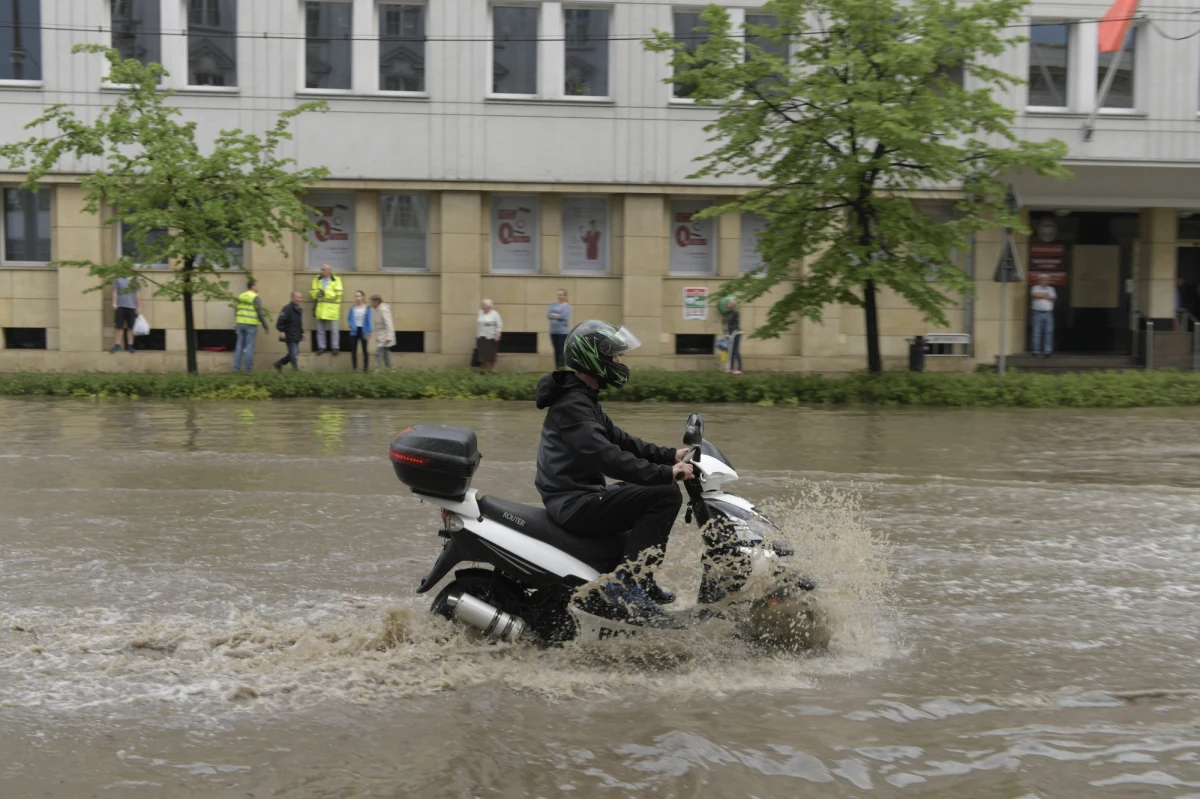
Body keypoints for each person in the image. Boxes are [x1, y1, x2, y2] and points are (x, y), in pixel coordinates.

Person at [534, 320, 694, 621]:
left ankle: (639, 579)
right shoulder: (573, 406)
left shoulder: (582, 398)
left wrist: (671, 456)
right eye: (615, 357)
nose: (620, 362)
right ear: (595, 359)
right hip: (571, 503)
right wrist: (666, 474)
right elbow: (607, 457)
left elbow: (622, 441)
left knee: (647, 495)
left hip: (581, 496)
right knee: (665, 494)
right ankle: (627, 585)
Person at [233, 279, 271, 373]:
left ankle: (236, 369)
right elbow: (259, 313)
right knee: (249, 347)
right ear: (252, 286)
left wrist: (238, 321)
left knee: (239, 347)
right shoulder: (255, 297)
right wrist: (265, 326)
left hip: (240, 323)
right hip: (251, 324)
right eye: (256, 285)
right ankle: (248, 370)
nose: (258, 287)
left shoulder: (241, 296)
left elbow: (236, 310)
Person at [310, 263, 344, 355]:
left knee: (334, 330)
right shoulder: (317, 279)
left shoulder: (337, 280)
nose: (321, 271)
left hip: (332, 309)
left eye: (323, 269)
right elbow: (312, 291)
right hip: (321, 309)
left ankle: (335, 347)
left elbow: (338, 294)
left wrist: (325, 293)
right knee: (320, 330)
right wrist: (316, 293)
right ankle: (321, 347)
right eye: (321, 269)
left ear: (329, 270)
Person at [273, 291, 306, 372]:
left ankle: (278, 363)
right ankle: (295, 371)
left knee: (295, 353)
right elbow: (280, 321)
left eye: (300, 297)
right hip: (289, 335)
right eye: (297, 297)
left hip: (297, 335)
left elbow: (299, 323)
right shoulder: (287, 308)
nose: (299, 299)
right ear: (292, 298)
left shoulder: (299, 309)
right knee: (293, 355)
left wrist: (303, 332)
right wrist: (282, 331)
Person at [110, 275, 142, 354]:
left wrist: (139, 307)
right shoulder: (118, 279)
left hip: (132, 307)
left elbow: (138, 294)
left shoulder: (135, 280)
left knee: (130, 327)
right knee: (119, 327)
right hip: (120, 307)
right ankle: (117, 345)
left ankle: (130, 346)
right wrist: (114, 303)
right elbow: (115, 292)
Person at [345, 290, 373, 372]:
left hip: (363, 330)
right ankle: (354, 368)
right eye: (356, 296)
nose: (357, 298)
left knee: (365, 350)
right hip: (354, 330)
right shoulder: (352, 308)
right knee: (353, 350)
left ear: (363, 297)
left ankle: (365, 369)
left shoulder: (367, 308)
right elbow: (349, 318)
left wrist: (368, 332)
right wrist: (351, 324)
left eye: (359, 296)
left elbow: (369, 321)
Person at [1030, 274, 1056, 358]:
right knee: (1036, 333)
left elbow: (1053, 297)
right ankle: (1036, 351)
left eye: (1046, 280)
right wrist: (1046, 296)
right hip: (1037, 313)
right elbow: (1035, 295)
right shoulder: (1035, 287)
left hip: (1048, 313)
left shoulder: (1051, 289)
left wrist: (1042, 295)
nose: (1045, 281)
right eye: (1043, 280)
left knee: (1048, 333)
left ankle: (1047, 351)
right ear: (1039, 280)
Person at [547, 289, 571, 370]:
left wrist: (555, 315)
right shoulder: (553, 305)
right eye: (558, 295)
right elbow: (548, 315)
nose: (559, 296)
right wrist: (558, 315)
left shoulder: (567, 306)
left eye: (561, 295)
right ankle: (557, 368)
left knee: (561, 350)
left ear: (564, 296)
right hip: (553, 331)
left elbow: (565, 317)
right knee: (556, 350)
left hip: (562, 332)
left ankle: (562, 367)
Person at [476, 299, 502, 372]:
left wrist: (497, 334)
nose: (482, 306)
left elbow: (499, 325)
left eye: (484, 305)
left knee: (491, 354)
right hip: (481, 336)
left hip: (491, 336)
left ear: (489, 306)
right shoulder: (480, 313)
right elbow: (479, 325)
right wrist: (476, 334)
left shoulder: (495, 314)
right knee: (482, 353)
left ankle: (493, 369)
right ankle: (483, 369)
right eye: (482, 305)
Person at [720, 296, 743, 375]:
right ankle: (731, 368)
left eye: (728, 303)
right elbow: (724, 324)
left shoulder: (736, 313)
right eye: (727, 303)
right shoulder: (726, 314)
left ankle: (740, 369)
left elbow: (736, 325)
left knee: (735, 351)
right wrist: (725, 333)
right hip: (729, 334)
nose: (727, 304)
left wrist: (731, 334)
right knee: (730, 352)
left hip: (736, 333)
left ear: (732, 305)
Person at [371, 294, 396, 369]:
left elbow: (389, 323)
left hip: (385, 336)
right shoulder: (378, 310)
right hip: (382, 336)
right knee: (386, 355)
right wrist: (378, 337)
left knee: (379, 353)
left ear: (377, 301)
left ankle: (377, 370)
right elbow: (379, 326)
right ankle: (391, 370)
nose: (371, 303)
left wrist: (389, 336)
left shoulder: (383, 309)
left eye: (372, 301)